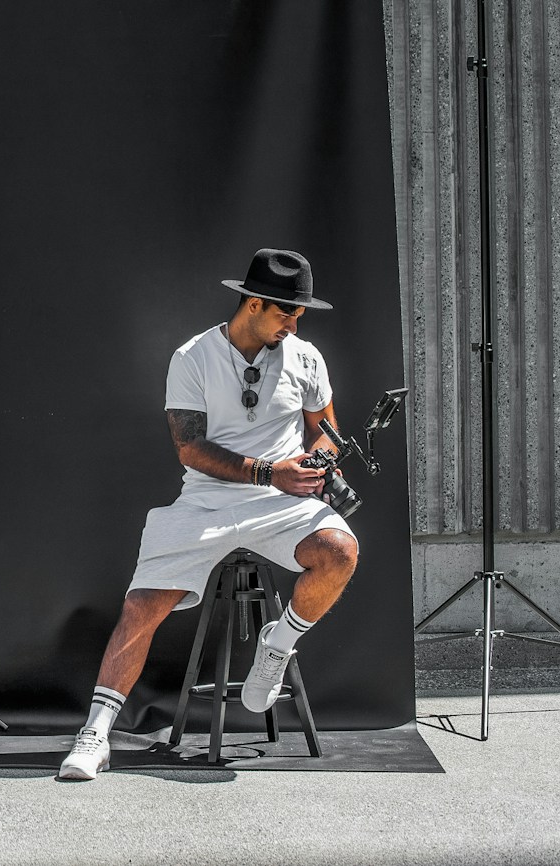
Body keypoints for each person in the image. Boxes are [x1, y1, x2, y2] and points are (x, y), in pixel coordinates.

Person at [57, 247, 359, 781]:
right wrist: (271, 472)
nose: (295, 322)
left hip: (282, 502)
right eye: (286, 311)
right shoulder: (192, 356)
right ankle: (96, 733)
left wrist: (318, 464)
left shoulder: (306, 357)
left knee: (340, 550)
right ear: (253, 305)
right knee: (142, 603)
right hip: (206, 499)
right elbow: (190, 448)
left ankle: (278, 645)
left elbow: (326, 429)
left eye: (299, 313)